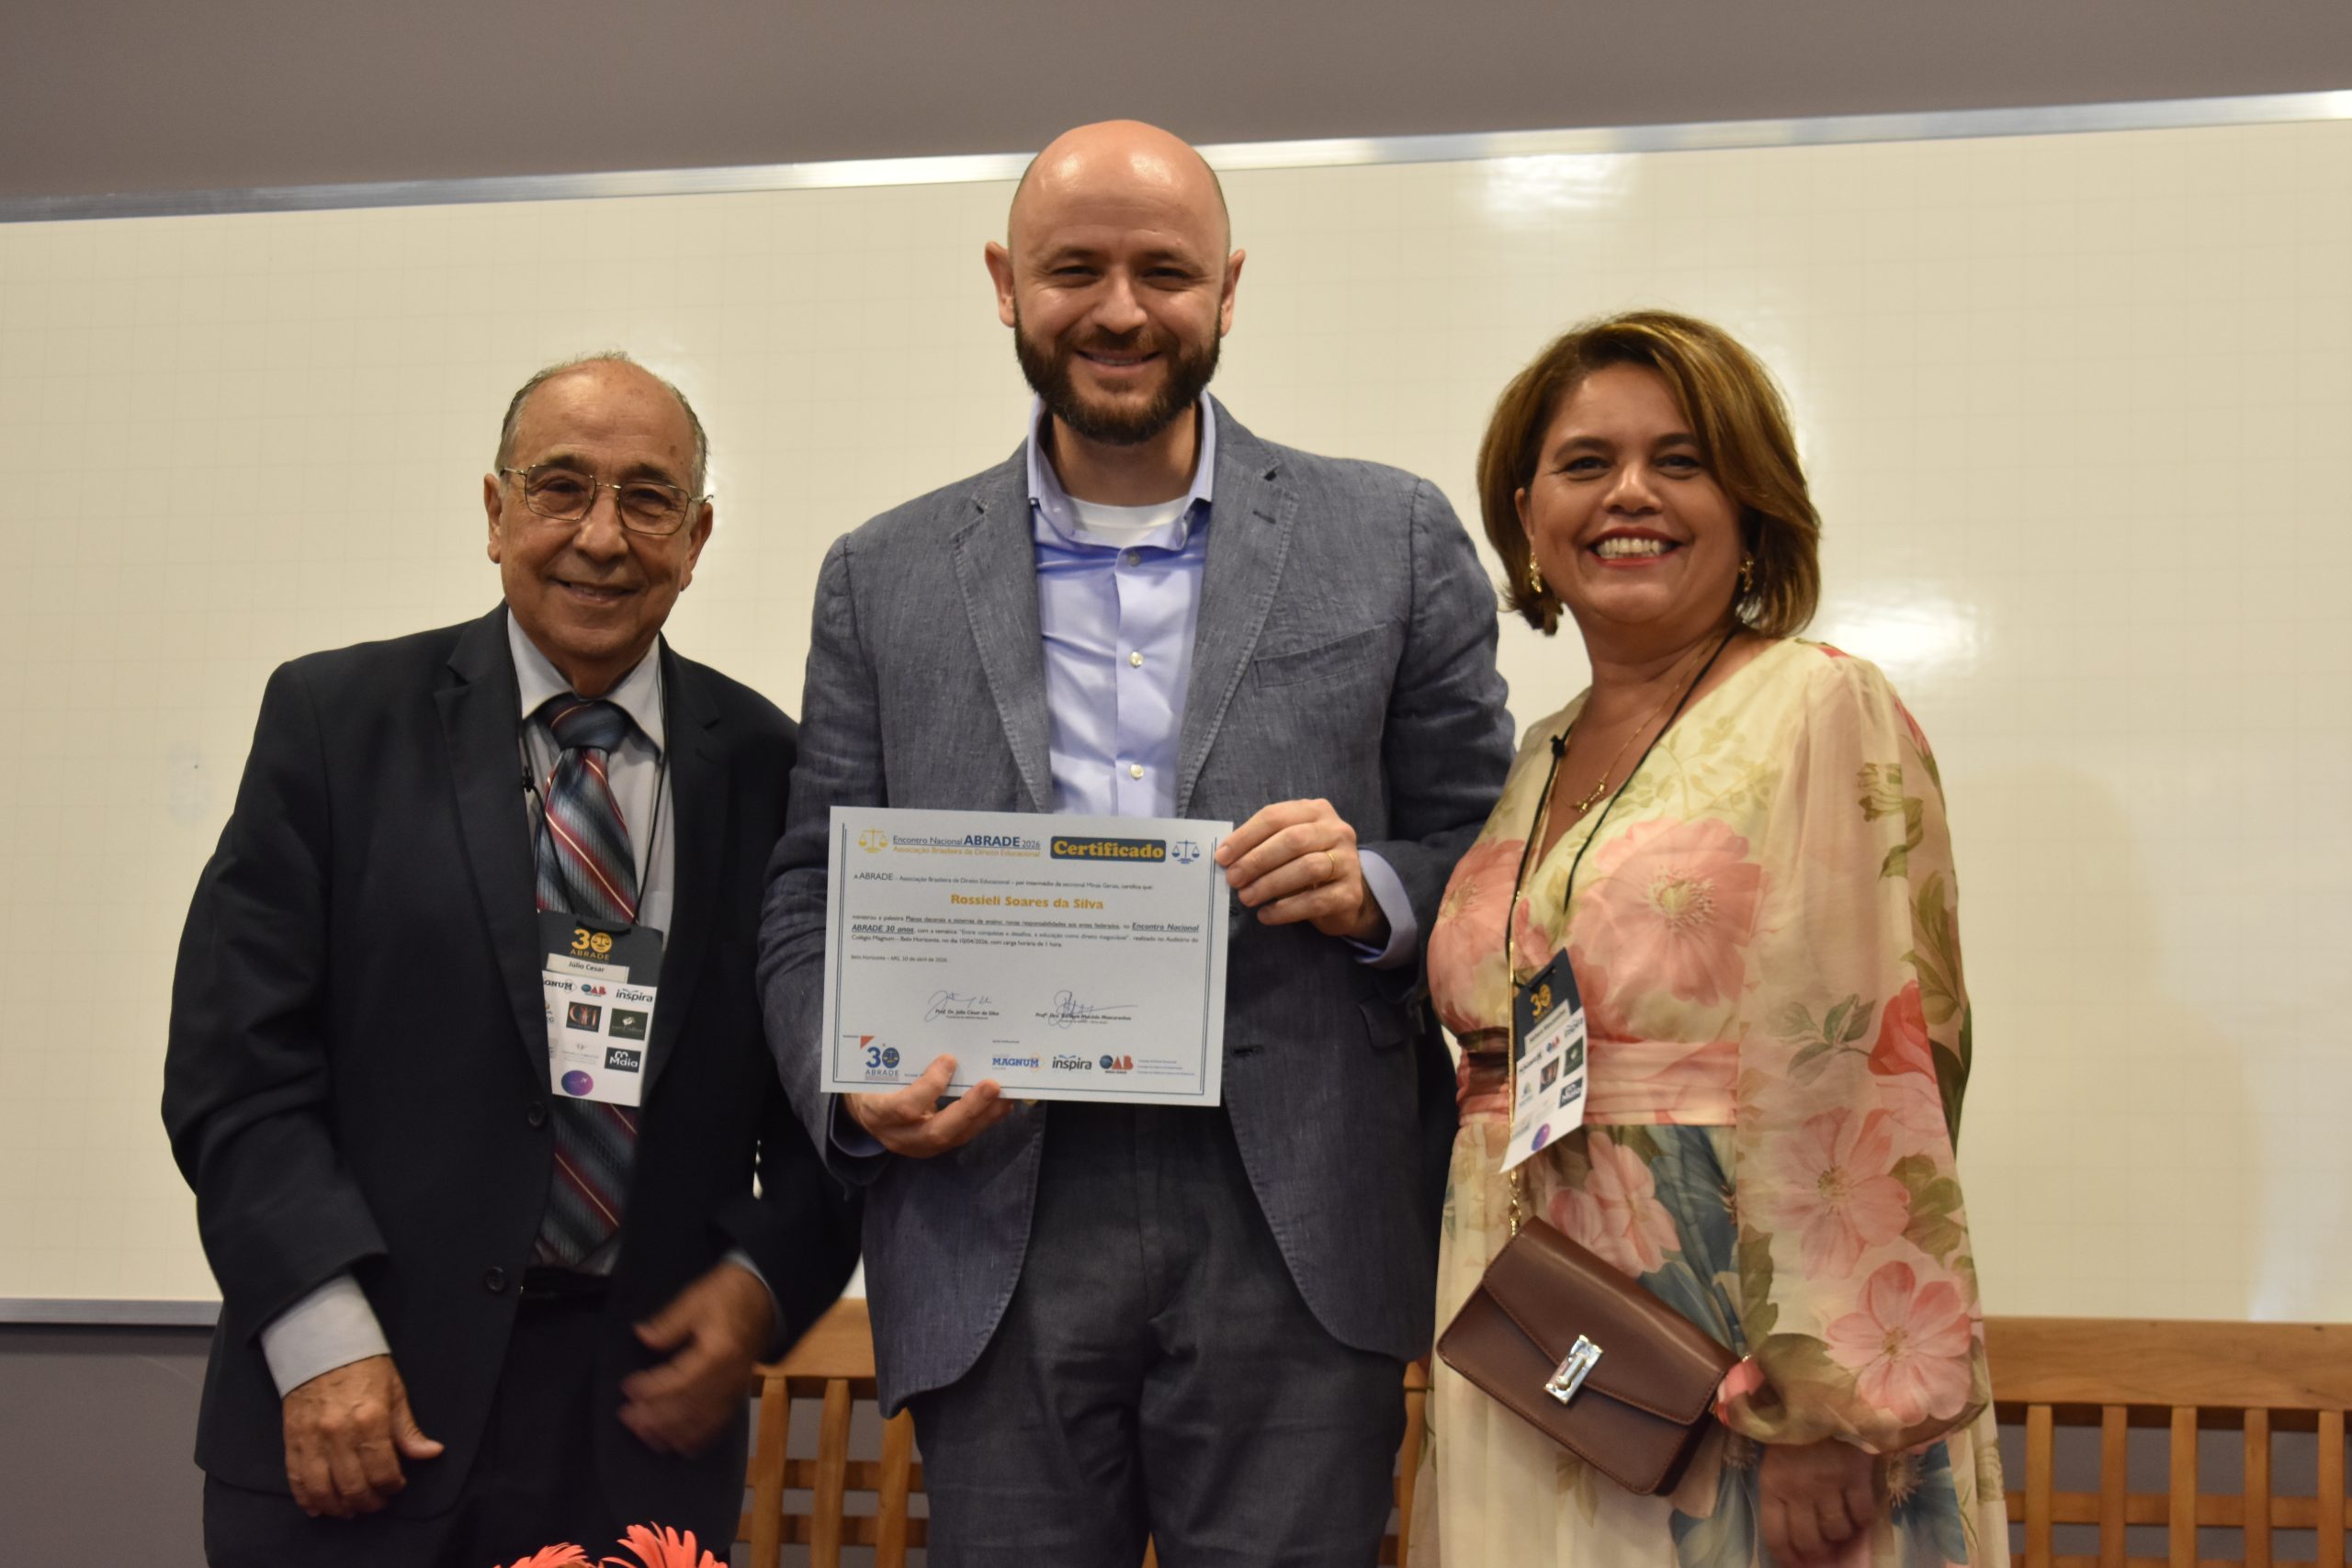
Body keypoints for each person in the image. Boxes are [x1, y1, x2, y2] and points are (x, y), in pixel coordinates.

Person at [757, 120, 1515, 1566]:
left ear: (1228, 288)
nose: (1119, 310)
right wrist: (849, 1084)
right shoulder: (882, 574)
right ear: (1006, 284)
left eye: (1164, 271)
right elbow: (809, 894)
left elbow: (1495, 847)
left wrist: (1375, 892)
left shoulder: (1391, 536)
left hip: (1295, 1217)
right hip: (994, 1213)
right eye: (1075, 271)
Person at [163, 354, 861, 1566]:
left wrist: (763, 1281)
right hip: (361, 1407)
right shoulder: (335, 726)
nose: (603, 536)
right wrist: (321, 1336)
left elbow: (830, 1093)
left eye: (649, 499)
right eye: (561, 487)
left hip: (639, 1426)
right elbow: (236, 1072)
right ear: (496, 512)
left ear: (697, 538)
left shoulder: (774, 769)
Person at [1412, 310, 2007, 1568]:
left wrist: (1826, 1409)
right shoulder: (1539, 755)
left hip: (1736, 1346)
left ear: (1751, 506)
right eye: (1586, 464)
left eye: (1679, 461)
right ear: (1528, 516)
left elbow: (1868, 1064)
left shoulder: (1819, 705)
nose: (1629, 494)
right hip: (1534, 1325)